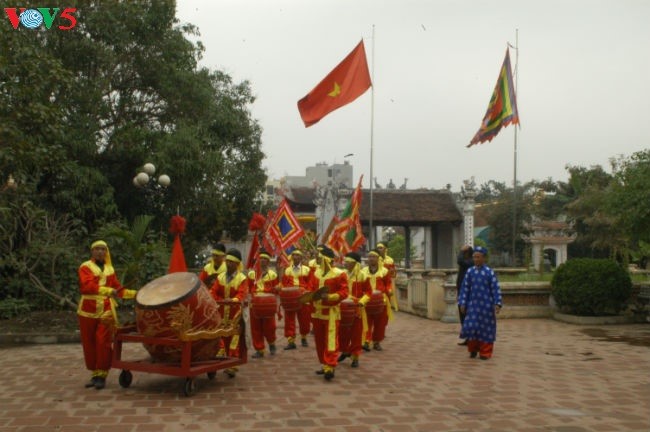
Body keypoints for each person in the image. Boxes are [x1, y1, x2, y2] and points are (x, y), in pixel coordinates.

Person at [77, 240, 136, 390]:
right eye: (97, 249)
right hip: (87, 310)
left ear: (107, 252)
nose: (100, 252)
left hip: (106, 310)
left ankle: (102, 375)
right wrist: (108, 291)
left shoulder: (110, 269)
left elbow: (118, 289)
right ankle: (95, 374)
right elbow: (87, 286)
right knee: (89, 343)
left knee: (103, 342)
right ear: (92, 251)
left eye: (103, 249)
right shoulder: (85, 267)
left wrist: (135, 294)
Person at [308, 246, 348, 380]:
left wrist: (330, 297)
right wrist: (306, 296)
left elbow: (344, 292)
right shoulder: (315, 273)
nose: (317, 259)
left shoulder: (339, 273)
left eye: (320, 257)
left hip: (331, 312)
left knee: (330, 340)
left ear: (326, 259)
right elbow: (310, 289)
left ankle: (330, 366)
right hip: (317, 312)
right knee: (319, 341)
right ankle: (324, 363)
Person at [458, 246, 503, 360]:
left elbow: (495, 289)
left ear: (484, 258)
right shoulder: (470, 271)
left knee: (486, 329)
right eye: (474, 257)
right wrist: (463, 303)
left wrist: (497, 303)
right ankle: (472, 349)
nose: (476, 259)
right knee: (472, 327)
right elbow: (465, 288)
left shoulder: (489, 273)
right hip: (472, 305)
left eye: (478, 257)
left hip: (486, 306)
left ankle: (485, 352)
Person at [210, 248, 249, 377]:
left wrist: (232, 300)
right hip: (221, 313)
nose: (228, 264)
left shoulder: (242, 278)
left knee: (234, 339)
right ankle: (220, 361)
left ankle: (232, 364)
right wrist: (219, 300)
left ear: (237, 264)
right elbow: (214, 291)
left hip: (235, 314)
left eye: (232, 262)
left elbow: (242, 294)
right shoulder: (220, 277)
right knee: (220, 336)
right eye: (227, 261)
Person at [338, 251, 371, 368]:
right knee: (342, 332)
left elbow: (369, 292)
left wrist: (362, 302)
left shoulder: (363, 275)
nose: (345, 264)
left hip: (357, 308)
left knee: (356, 334)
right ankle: (345, 351)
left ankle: (355, 356)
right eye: (345, 261)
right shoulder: (342, 274)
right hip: (343, 307)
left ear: (355, 263)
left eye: (348, 262)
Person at [248, 249, 279, 358]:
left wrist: (277, 288)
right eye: (261, 259)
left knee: (270, 326)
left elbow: (276, 290)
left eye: (265, 259)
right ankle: (259, 349)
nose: (263, 261)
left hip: (267, 305)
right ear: (258, 260)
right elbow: (248, 288)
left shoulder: (273, 275)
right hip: (255, 304)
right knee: (255, 328)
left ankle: (271, 343)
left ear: (268, 261)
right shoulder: (252, 274)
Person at [361, 248, 394, 351]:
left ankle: (376, 341)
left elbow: (388, 283)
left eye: (373, 256)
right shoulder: (363, 271)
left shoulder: (384, 271)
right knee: (366, 321)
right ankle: (366, 341)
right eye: (370, 256)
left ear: (378, 258)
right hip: (367, 300)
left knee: (380, 323)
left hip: (381, 301)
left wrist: (389, 290)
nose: (371, 259)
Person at [280, 249, 312, 349]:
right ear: (292, 257)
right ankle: (291, 341)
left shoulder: (307, 269)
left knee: (304, 319)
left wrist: (307, 292)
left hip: (303, 297)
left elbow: (311, 283)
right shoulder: (287, 270)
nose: (295, 257)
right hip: (290, 298)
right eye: (294, 255)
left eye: (298, 255)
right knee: (289, 319)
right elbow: (284, 284)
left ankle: (304, 337)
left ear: (301, 258)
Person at [456, 245, 474, 345]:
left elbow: (459, 260)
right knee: (462, 315)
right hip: (461, 291)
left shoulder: (470, 262)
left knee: (466, 315)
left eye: (464, 253)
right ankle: (467, 337)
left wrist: (461, 251)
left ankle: (471, 337)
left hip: (467, 293)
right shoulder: (467, 262)